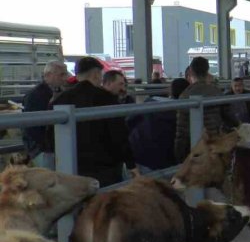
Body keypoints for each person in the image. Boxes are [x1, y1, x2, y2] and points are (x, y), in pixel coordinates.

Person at [50, 57, 137, 186]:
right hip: (105, 168)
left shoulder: (60, 99)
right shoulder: (107, 98)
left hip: (71, 167)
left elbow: (50, 137)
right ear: (96, 74)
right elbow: (119, 135)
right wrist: (131, 164)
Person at [173, 57, 238, 162]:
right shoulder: (216, 92)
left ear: (191, 71)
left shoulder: (184, 96)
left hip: (194, 149)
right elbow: (231, 119)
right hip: (215, 146)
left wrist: (179, 156)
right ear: (207, 70)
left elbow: (181, 132)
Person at [127, 78, 188, 173]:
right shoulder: (188, 111)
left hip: (141, 156)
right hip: (168, 161)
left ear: (170, 92)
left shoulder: (150, 104)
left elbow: (129, 122)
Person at [22, 61, 70, 169]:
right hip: (43, 149)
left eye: (66, 74)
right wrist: (46, 146)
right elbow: (32, 126)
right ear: (48, 76)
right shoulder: (35, 96)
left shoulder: (58, 92)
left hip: (52, 146)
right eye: (61, 74)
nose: (65, 78)